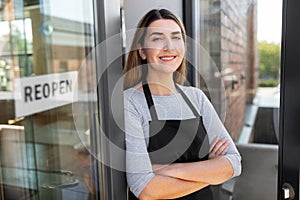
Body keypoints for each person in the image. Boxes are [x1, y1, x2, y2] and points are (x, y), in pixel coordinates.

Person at [124, 9, 241, 200]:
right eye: (157, 38)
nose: (169, 47)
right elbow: (145, 189)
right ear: (142, 51)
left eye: (176, 37)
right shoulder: (131, 102)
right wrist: (210, 172)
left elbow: (234, 163)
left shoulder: (196, 97)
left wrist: (165, 169)